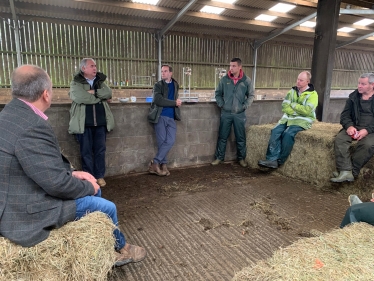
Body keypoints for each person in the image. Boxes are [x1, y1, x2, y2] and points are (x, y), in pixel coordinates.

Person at [0, 65, 146, 267]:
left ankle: (105, 244)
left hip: (19, 193)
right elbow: (56, 184)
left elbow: (39, 165)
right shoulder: (32, 127)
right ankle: (120, 249)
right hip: (24, 210)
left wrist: (73, 174)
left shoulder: (11, 114)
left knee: (91, 185)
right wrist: (88, 186)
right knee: (106, 207)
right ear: (45, 95)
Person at [68, 58, 115, 187]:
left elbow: (109, 93)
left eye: (95, 66)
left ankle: (99, 176)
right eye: (92, 66)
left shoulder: (100, 82)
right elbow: (79, 97)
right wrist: (101, 99)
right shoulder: (76, 83)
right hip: (84, 123)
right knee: (86, 151)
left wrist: (93, 92)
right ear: (84, 69)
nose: (95, 68)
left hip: (100, 122)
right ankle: (89, 177)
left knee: (100, 150)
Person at [258, 71, 318, 169]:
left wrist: (293, 105)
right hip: (288, 118)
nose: (298, 82)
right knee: (275, 131)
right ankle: (271, 159)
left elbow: (307, 110)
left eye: (301, 80)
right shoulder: (292, 91)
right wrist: (295, 111)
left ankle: (280, 160)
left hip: (302, 120)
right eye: (297, 79)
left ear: (307, 81)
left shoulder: (313, 94)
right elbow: (284, 106)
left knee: (288, 134)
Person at [330, 73, 374, 183]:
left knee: (367, 145)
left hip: (371, 130)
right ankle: (345, 170)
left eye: (363, 84)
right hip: (355, 126)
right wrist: (349, 126)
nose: (359, 86)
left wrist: (367, 130)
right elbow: (345, 115)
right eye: (359, 83)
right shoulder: (353, 97)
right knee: (340, 139)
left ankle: (351, 172)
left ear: (372, 85)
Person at [211, 57, 254, 167]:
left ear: (240, 67)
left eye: (234, 66)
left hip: (239, 113)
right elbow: (218, 94)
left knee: (240, 137)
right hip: (226, 113)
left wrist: (244, 106)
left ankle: (241, 159)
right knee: (222, 136)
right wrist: (222, 104)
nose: (231, 68)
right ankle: (219, 158)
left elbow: (251, 95)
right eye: (230, 66)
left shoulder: (246, 80)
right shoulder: (225, 80)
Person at [148, 64, 182, 176]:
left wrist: (177, 102)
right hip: (160, 116)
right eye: (162, 71)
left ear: (171, 73)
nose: (163, 73)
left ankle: (155, 162)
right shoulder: (158, 85)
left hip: (171, 116)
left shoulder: (175, 84)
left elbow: (174, 97)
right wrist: (174, 103)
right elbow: (158, 100)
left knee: (170, 140)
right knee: (162, 142)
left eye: (165, 71)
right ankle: (163, 165)